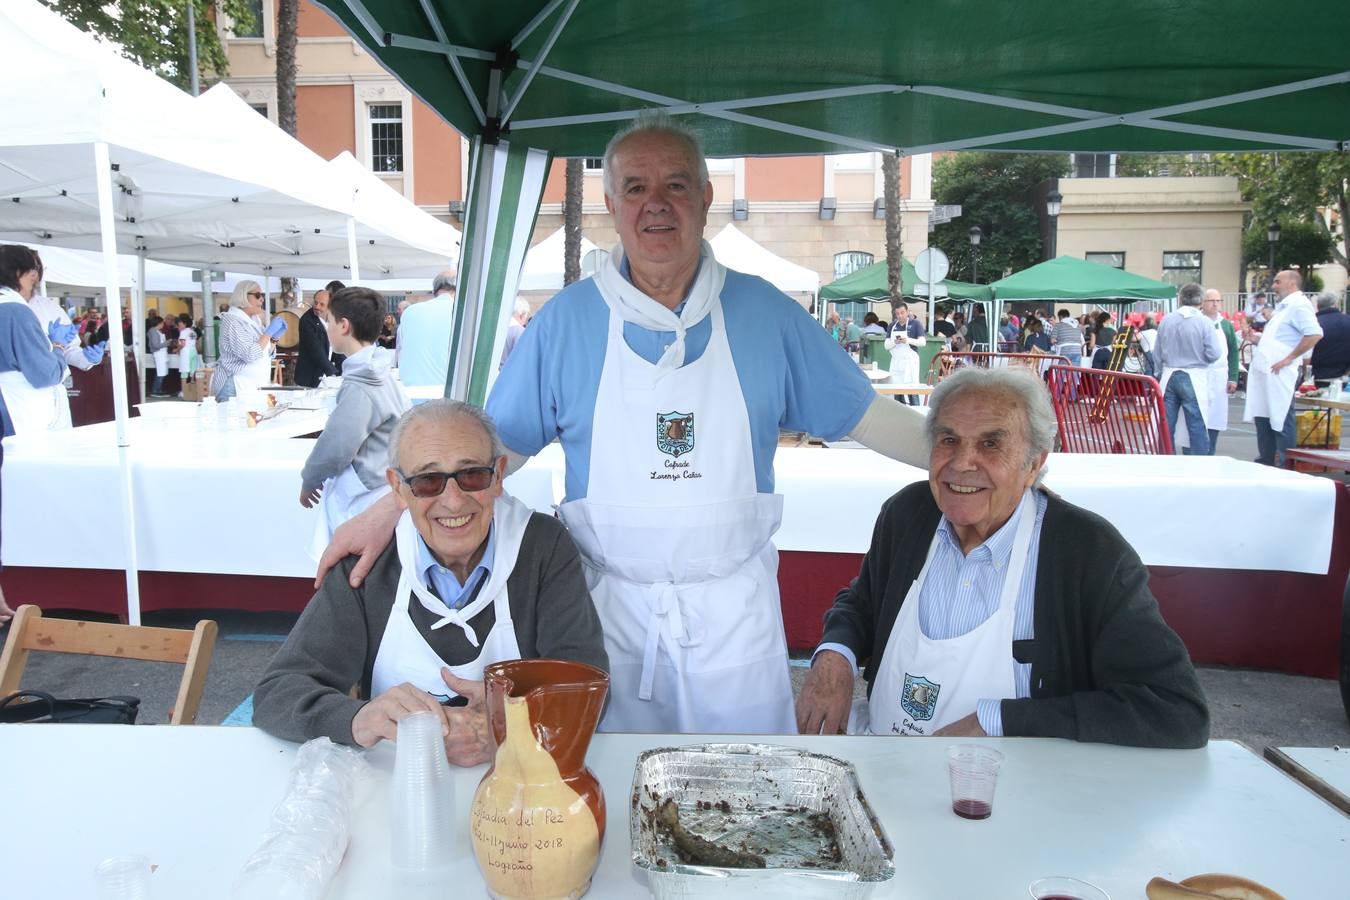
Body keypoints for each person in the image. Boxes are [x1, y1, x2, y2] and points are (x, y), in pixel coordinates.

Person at [319, 115, 930, 736]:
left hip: (734, 623)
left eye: (676, 185)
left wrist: (990, 457)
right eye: (635, 188)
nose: (655, 205)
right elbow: (483, 459)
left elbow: (871, 419)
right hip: (607, 622)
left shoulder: (767, 314)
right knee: (610, 793)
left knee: (745, 802)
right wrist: (386, 511)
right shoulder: (565, 324)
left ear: (705, 197)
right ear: (611, 203)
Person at [795, 366, 1209, 748]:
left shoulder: (1088, 552)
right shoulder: (908, 514)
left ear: (1034, 464)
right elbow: (862, 603)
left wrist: (998, 721)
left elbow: (1174, 709)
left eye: (991, 444)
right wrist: (836, 656)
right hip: (884, 768)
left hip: (1011, 796)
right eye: (948, 439)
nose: (962, 463)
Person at [256, 400, 608, 762]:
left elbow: (588, 685)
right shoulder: (369, 563)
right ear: (397, 487)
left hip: (524, 785)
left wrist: (516, 724)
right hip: (397, 790)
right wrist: (360, 718)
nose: (453, 501)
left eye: (472, 474)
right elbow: (279, 692)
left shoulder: (542, 547)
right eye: (428, 480)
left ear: (499, 475)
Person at [300, 286, 412, 558]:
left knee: (350, 568)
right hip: (382, 486)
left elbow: (337, 446)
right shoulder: (379, 372)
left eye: (329, 321)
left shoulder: (362, 384)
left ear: (344, 325)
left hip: (365, 495)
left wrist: (309, 478)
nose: (326, 327)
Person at [1243, 270, 1322, 467]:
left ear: (1292, 284)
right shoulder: (1284, 308)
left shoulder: (1299, 305)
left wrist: (1289, 358)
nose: (1273, 286)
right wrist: (1255, 339)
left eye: (1278, 282)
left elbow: (1314, 334)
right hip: (1267, 371)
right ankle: (1266, 460)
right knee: (1264, 416)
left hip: (1280, 372)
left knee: (1280, 417)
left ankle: (1285, 465)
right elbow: (1277, 339)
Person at [17, 253, 105, 426]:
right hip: (21, 392)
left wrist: (87, 358)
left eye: (37, 270)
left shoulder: (49, 306)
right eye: (30, 271)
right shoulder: (8, 305)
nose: (35, 276)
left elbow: (70, 349)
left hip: (55, 391)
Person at [0, 245, 69, 436]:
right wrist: (57, 347)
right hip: (17, 413)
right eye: (32, 272)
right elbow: (44, 374)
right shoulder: (15, 312)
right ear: (20, 273)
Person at [1156, 283, 1221, 456]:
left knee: (1165, 422)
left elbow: (1157, 352)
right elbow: (1214, 353)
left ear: (1180, 298)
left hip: (1169, 373)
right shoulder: (1204, 322)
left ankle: (1165, 457)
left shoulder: (1166, 320)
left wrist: (1158, 371)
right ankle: (1197, 460)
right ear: (1201, 301)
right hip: (1194, 374)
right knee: (1196, 422)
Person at [1176, 290, 1238, 456]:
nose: (1215, 304)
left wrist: (1233, 377)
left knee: (1215, 418)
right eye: (1211, 300)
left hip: (1218, 378)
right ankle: (1190, 452)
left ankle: (1210, 452)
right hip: (1198, 374)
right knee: (1193, 416)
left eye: (1218, 300)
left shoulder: (1226, 325)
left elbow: (1233, 352)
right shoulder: (1196, 321)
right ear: (1203, 302)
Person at [210, 280, 274, 402]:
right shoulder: (232, 321)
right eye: (258, 295)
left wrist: (274, 338)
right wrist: (268, 333)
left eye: (262, 296)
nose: (262, 300)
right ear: (243, 295)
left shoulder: (254, 320)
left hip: (251, 386)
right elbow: (249, 354)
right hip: (234, 386)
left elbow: (265, 351)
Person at [396, 271, 456, 393]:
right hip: (448, 394)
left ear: (435, 290)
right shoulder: (461, 311)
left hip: (410, 393)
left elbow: (402, 349)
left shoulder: (410, 311)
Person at [885, 301, 928, 405]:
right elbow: (886, 345)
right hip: (896, 362)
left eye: (902, 312)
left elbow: (922, 342)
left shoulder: (916, 324)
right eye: (897, 313)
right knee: (897, 392)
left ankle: (917, 414)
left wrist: (908, 340)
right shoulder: (892, 325)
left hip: (910, 363)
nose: (900, 315)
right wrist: (894, 342)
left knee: (912, 391)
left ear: (907, 312)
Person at [293, 289, 338, 388]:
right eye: (316, 303)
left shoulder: (333, 318)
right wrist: (332, 373)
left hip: (326, 374)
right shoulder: (307, 321)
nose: (317, 306)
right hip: (310, 377)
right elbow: (315, 349)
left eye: (322, 304)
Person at [1310, 291, 1350, 390]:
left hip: (1314, 377)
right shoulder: (1348, 321)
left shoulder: (1312, 323)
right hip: (1343, 377)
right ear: (1336, 304)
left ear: (1318, 305)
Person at [498, 297, 531, 370]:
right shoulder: (520, 332)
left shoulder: (499, 327)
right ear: (522, 315)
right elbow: (520, 361)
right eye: (526, 316)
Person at [174, 313, 198, 394]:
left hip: (186, 352)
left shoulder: (183, 332)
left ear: (184, 323)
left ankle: (184, 391)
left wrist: (177, 350)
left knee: (184, 372)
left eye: (180, 323)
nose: (178, 325)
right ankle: (192, 390)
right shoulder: (193, 332)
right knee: (192, 371)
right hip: (194, 351)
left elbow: (182, 344)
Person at [146, 314, 169, 397]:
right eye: (162, 323)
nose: (163, 325)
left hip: (162, 354)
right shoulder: (153, 332)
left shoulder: (158, 331)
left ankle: (158, 389)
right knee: (160, 372)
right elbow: (156, 345)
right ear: (158, 323)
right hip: (158, 354)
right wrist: (167, 343)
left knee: (161, 372)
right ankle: (155, 390)